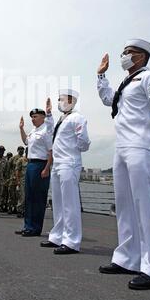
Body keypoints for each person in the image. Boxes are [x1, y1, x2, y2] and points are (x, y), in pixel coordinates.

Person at [97, 38, 150, 290]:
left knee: (146, 205)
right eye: (124, 52)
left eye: (129, 52)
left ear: (141, 57)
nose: (124, 56)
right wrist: (101, 77)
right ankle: (128, 258)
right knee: (125, 205)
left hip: (140, 145)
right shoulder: (126, 82)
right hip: (122, 146)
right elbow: (110, 100)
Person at [41, 89, 90, 254]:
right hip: (57, 164)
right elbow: (50, 133)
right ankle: (57, 236)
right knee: (58, 203)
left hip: (69, 163)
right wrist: (48, 115)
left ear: (71, 100)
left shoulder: (77, 118)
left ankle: (71, 241)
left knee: (70, 204)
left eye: (61, 99)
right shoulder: (62, 119)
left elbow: (84, 142)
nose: (59, 102)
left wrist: (73, 151)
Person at [17, 99, 53, 236]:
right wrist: (21, 128)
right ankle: (27, 225)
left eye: (35, 116)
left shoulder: (46, 131)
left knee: (38, 198)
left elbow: (51, 152)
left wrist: (47, 168)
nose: (33, 119)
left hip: (41, 165)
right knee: (29, 197)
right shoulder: (34, 131)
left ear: (43, 117)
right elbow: (26, 141)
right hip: (31, 164)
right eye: (32, 117)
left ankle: (35, 228)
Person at [7, 146, 25, 214]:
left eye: (22, 150)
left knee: (19, 195)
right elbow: (8, 168)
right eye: (20, 150)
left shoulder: (24, 159)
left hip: (20, 180)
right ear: (17, 150)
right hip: (12, 179)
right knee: (11, 194)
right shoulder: (13, 158)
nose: (21, 151)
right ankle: (10, 208)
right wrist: (8, 177)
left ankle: (16, 208)